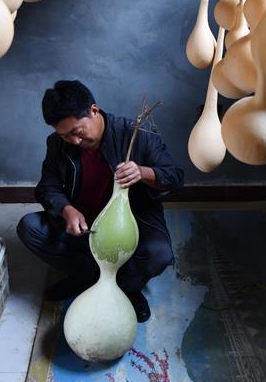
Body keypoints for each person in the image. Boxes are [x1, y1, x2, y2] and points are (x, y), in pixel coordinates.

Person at [17, 80, 184, 323]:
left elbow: (176, 178)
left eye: (77, 131)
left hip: (129, 225)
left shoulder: (136, 133)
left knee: (158, 254)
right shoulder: (57, 145)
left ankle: (127, 290)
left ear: (94, 110)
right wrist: (68, 210)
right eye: (64, 135)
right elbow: (47, 187)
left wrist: (143, 172)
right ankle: (89, 277)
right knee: (29, 227)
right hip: (86, 224)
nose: (73, 141)